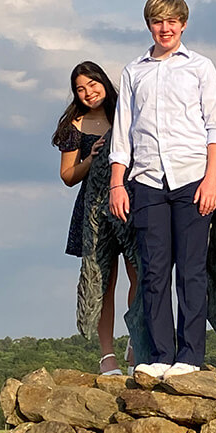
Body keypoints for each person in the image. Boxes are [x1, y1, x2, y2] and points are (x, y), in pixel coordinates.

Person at [109, 0, 216, 380]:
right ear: (150, 25)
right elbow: (123, 132)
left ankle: (190, 356)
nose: (166, 28)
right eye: (159, 21)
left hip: (192, 179)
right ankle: (161, 353)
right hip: (145, 180)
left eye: (172, 21)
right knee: (154, 271)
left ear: (183, 24)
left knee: (191, 272)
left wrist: (212, 180)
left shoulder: (200, 67)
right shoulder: (134, 72)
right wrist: (117, 183)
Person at [52, 61, 138, 375]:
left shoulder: (126, 112)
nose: (89, 93)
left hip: (128, 202)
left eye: (93, 84)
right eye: (80, 89)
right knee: (103, 281)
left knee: (139, 275)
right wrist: (92, 157)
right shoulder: (75, 124)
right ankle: (107, 356)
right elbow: (67, 175)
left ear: (103, 81)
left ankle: (136, 341)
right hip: (92, 210)